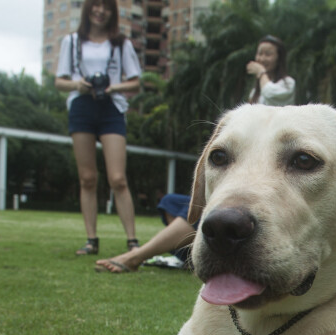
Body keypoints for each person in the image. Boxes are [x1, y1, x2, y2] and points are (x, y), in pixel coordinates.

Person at [94, 35, 295, 273]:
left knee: (202, 214)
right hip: (235, 187)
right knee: (173, 204)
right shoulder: (254, 90)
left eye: (268, 54)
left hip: (264, 195)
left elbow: (273, 98)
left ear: (279, 58)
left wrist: (261, 74)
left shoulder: (285, 84)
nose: (261, 58)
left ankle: (136, 256)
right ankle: (205, 255)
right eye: (259, 53)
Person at [55, 0, 142, 256]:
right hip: (81, 106)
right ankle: (91, 239)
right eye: (96, 5)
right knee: (88, 178)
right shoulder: (71, 42)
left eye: (106, 6)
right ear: (88, 8)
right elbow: (59, 81)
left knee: (118, 178)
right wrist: (78, 85)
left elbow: (135, 83)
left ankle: (132, 240)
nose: (100, 11)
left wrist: (112, 87)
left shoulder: (121, 44)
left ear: (112, 12)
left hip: (111, 108)